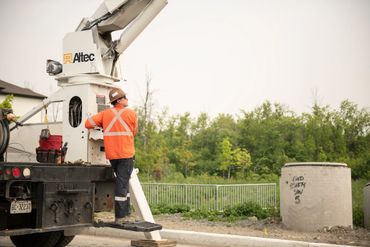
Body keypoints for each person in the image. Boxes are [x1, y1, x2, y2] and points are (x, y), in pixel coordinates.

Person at [85, 88, 138, 224]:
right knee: (122, 184)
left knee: (123, 183)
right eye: (125, 97)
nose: (127, 99)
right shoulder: (131, 114)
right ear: (119, 100)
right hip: (126, 154)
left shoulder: (105, 114)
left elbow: (87, 124)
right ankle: (120, 217)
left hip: (113, 155)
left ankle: (125, 214)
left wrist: (98, 121)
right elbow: (134, 132)